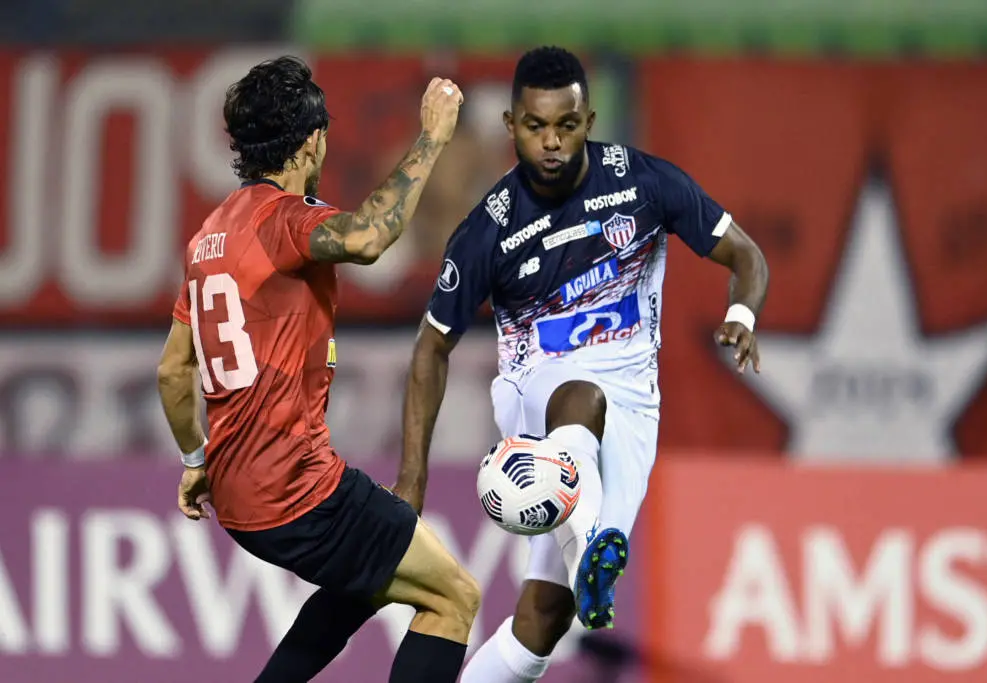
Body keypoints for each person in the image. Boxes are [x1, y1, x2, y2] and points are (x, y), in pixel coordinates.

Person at [399, 46, 770, 683]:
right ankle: (591, 545)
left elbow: (746, 255)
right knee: (580, 393)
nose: (551, 143)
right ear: (511, 125)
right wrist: (412, 479)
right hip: (536, 389)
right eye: (535, 126)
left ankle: (584, 562)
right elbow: (431, 346)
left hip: (635, 403)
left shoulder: (644, 184)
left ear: (589, 121)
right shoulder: (488, 231)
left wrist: (742, 314)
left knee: (544, 619)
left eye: (566, 126)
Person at [156, 56, 480, 683]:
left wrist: (196, 461)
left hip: (238, 494)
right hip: (296, 490)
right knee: (453, 597)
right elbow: (367, 238)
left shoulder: (207, 239)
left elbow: (173, 371)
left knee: (367, 579)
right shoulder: (283, 221)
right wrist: (433, 138)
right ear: (312, 141)